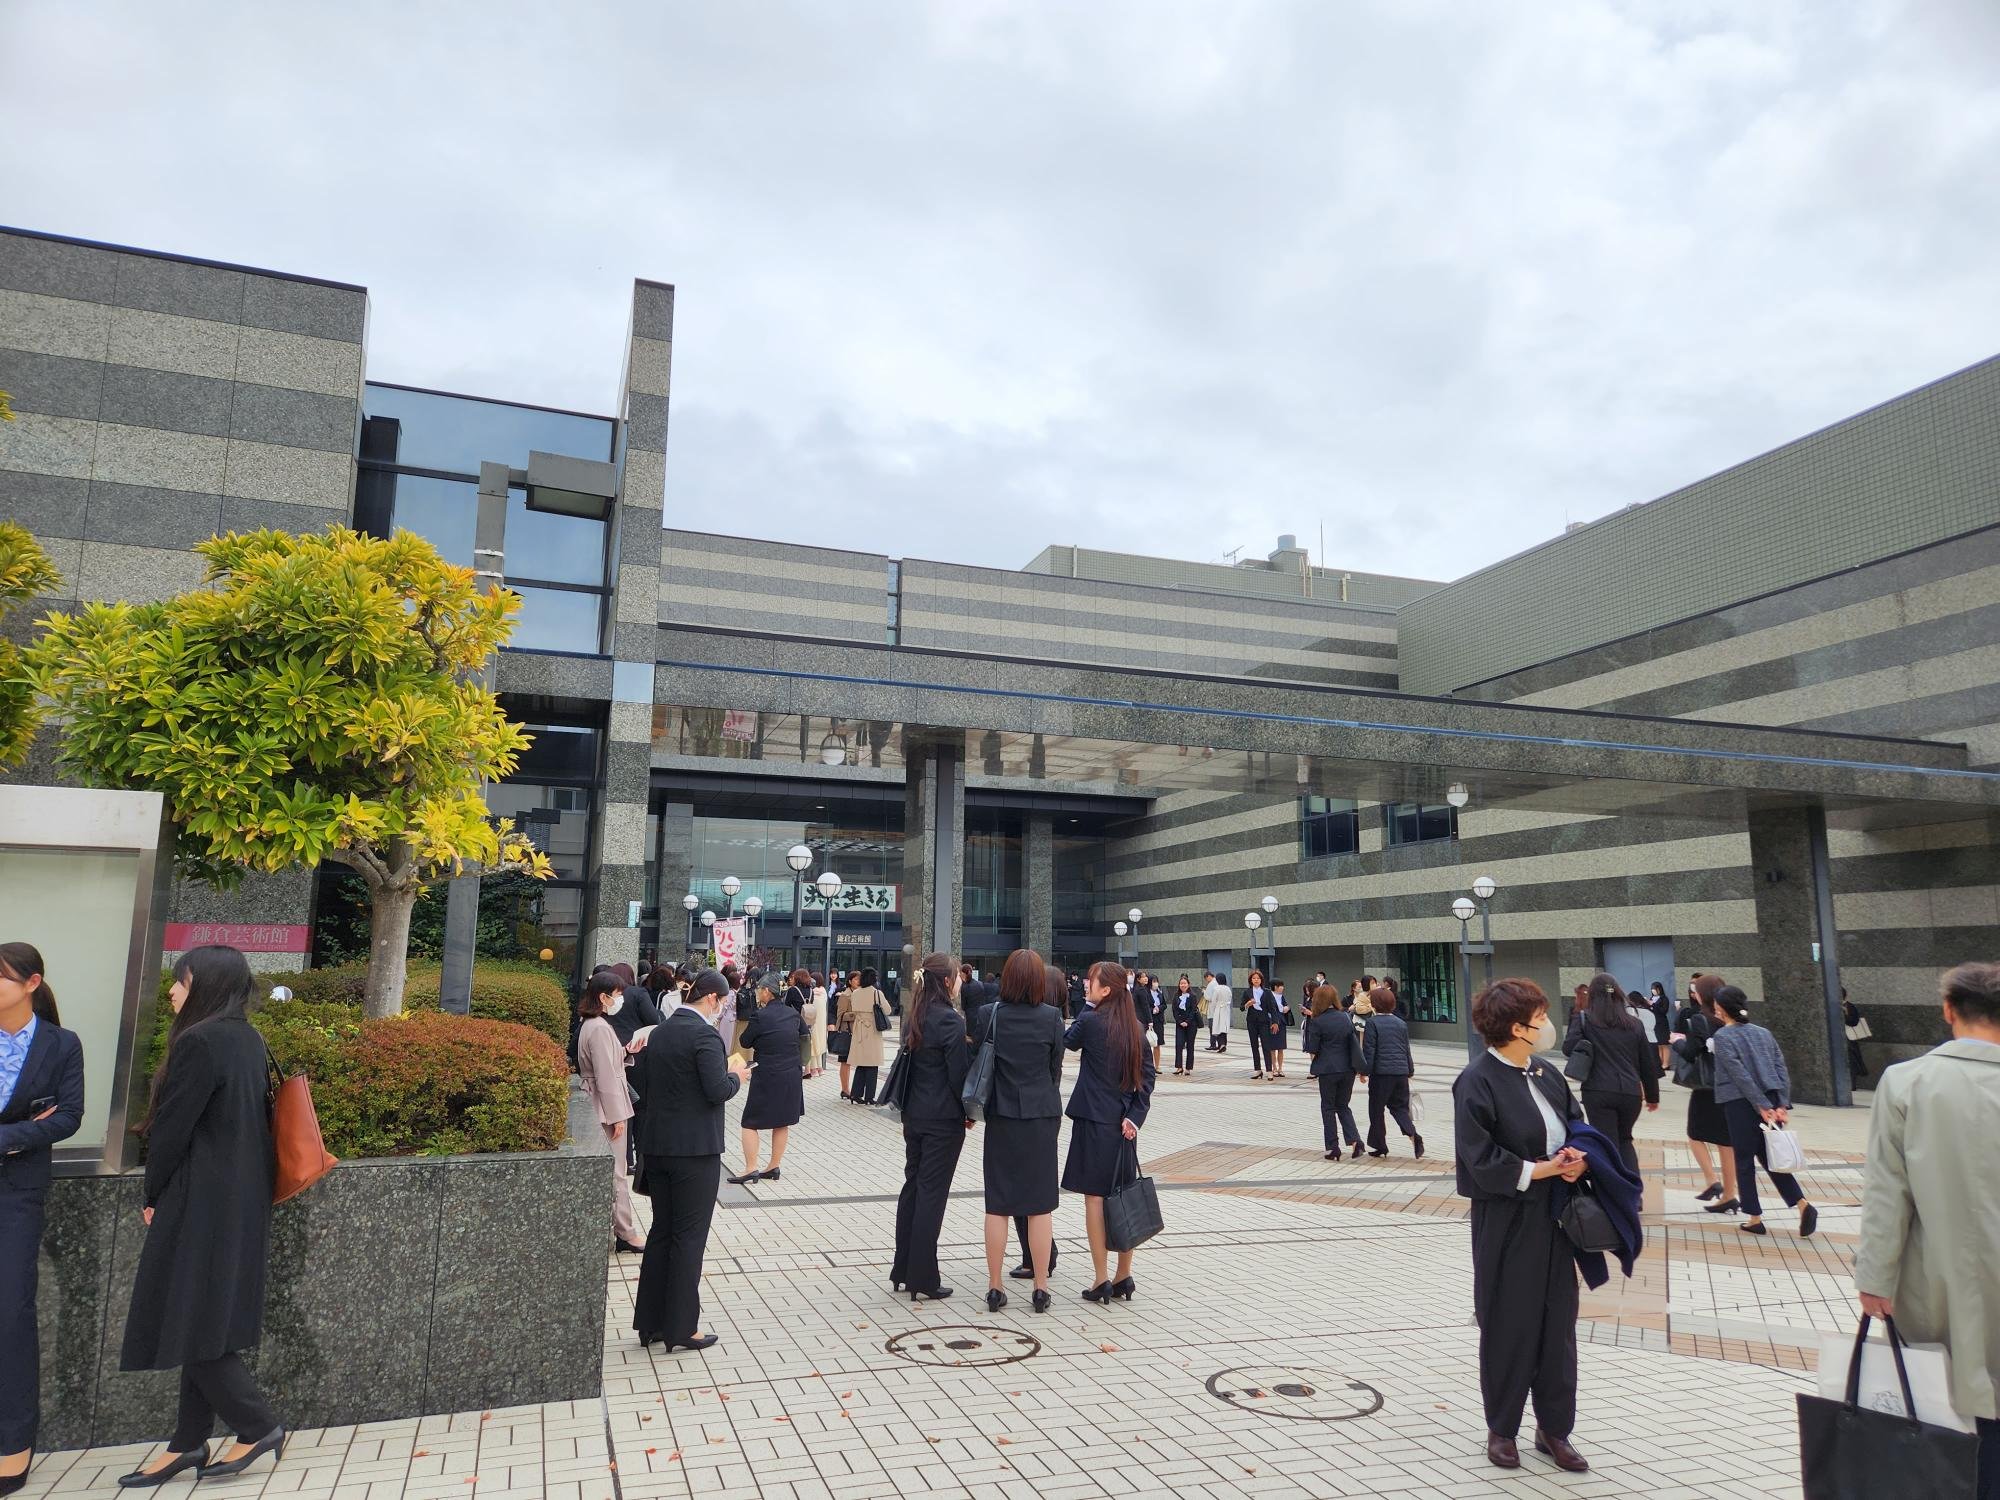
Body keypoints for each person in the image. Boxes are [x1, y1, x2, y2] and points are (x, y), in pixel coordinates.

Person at [117, 945, 284, 1487]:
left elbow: (172, 1129)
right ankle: (187, 1442)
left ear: (204, 985)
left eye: (181, 981)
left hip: (198, 1197)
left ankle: (256, 1424)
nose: (172, 991)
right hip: (240, 1197)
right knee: (202, 1316)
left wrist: (153, 1191)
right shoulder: (247, 1038)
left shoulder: (199, 1041)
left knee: (186, 1314)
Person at [1856, 962, 2000, 1497]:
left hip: (1937, 1279)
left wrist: (1875, 1278)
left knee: (1948, 1409)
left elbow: (1886, 1195)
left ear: (1947, 1011)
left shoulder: (1907, 1083)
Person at [1453, 977, 1591, 1473]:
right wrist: (1540, 1169)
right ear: (1517, 1027)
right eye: (1540, 1018)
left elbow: (1578, 1124)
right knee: (1510, 1321)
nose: (1548, 1026)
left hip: (1558, 1216)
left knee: (1558, 1325)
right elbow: (1478, 1157)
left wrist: (1579, 1157)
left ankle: (1554, 1428)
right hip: (1508, 1218)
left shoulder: (1545, 1071)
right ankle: (1502, 1427)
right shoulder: (1477, 1080)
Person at [0, 942, 83, 1495]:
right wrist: (32, 1124)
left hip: (17, 1196)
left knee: (10, 1313)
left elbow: (68, 1116)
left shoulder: (60, 1044)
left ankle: (12, 1443)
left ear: (30, 984)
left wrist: (10, 1137)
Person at [632, 970, 750, 1352]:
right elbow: (716, 1090)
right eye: (724, 1002)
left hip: (658, 1147)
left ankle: (650, 1322)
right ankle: (683, 1327)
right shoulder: (705, 1036)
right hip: (695, 1151)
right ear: (713, 999)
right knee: (688, 1239)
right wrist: (736, 1075)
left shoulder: (660, 1031)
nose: (723, 1009)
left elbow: (647, 1087)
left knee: (661, 1232)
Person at [970, 949, 1065, 1312]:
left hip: (1002, 1117)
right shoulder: (1052, 1017)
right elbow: (1054, 1070)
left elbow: (980, 1061)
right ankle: (1040, 1288)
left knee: (998, 1204)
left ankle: (995, 1287)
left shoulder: (988, 1015)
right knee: (1040, 1206)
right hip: (1041, 1117)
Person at [1064, 961, 1156, 1304]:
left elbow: (1066, 1041)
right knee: (1124, 1195)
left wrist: (1086, 1008)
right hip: (1123, 1127)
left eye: (1093, 982)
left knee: (1095, 1198)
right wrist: (1134, 1118)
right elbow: (1147, 1079)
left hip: (1092, 1121)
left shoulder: (1089, 1021)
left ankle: (1101, 1277)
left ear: (1106, 991)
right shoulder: (1136, 1027)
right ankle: (1123, 1275)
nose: (1087, 984)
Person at [890, 954, 971, 1301]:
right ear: (948, 981)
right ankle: (923, 1275)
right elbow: (958, 1076)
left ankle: (903, 1267)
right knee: (931, 1194)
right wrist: (969, 1111)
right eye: (956, 976)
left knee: (913, 1186)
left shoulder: (915, 1016)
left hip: (915, 1115)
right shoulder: (951, 1021)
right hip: (943, 1120)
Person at [1710, 986, 1816, 1238]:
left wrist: (1762, 1105)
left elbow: (1740, 1075)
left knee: (1744, 1159)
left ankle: (1754, 1217)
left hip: (1741, 1103)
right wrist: (1780, 1103)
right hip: (1770, 1099)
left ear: (1723, 1008)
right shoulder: (1764, 1033)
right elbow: (1781, 1067)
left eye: (1716, 1005)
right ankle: (1802, 1205)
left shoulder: (1723, 1036)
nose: (1714, 1008)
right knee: (1772, 1158)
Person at [1561, 973, 1660, 1174]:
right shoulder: (1634, 1023)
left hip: (1598, 1091)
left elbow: (1568, 1048)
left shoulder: (1584, 1019)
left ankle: (1613, 1193)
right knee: (1625, 1140)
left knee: (1606, 1143)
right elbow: (1647, 1063)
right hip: (1631, 1092)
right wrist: (1652, 1096)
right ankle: (1633, 1194)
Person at [1010, 963, 1071, 1281]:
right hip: (1047, 1108)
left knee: (1019, 1184)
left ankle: (1037, 1257)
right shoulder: (1054, 1020)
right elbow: (1055, 1070)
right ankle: (1042, 1253)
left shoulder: (1021, 1016)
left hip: (1019, 1112)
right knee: (1037, 1185)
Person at [575, 974, 643, 1254]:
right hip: (607, 1106)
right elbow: (604, 1074)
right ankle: (626, 1233)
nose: (619, 1000)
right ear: (603, 997)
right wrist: (617, 1117)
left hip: (600, 1101)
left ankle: (623, 1231)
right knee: (616, 1173)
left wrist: (625, 1051)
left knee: (613, 1171)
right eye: (616, 994)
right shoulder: (600, 1027)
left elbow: (603, 1065)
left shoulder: (590, 1024)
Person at [1673, 974, 1740, 1211]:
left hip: (1706, 1088)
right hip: (1732, 1086)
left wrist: (1677, 1042)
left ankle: (1713, 1181)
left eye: (1696, 990)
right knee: (1726, 1142)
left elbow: (1691, 1052)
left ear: (1703, 994)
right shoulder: (1731, 1018)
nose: (1694, 994)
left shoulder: (1701, 1020)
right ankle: (1729, 1194)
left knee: (1694, 1134)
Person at [730, 975, 804, 1185]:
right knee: (782, 1120)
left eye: (758, 989)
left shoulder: (760, 1016)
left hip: (768, 1074)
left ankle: (751, 1168)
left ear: (766, 992)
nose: (756, 992)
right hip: (791, 1073)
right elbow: (804, 1037)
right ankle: (773, 1166)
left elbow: (745, 1041)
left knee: (749, 1122)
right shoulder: (793, 1014)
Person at [1359, 985, 1422, 1158]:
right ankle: (1413, 1135)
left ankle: (1380, 1145)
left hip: (1381, 1075)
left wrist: (1364, 1071)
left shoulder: (1372, 1023)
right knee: (1399, 1107)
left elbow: (1369, 1050)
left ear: (1374, 1004)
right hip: (1401, 1072)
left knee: (1376, 1110)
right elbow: (1406, 1049)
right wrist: (1409, 1070)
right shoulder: (1400, 1023)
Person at [1303, 984, 1362, 1160]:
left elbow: (1312, 1048)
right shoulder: (1345, 1017)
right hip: (1347, 1069)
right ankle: (1355, 1141)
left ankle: (1332, 1147)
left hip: (1328, 1070)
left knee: (1328, 1107)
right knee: (1343, 1106)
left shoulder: (1317, 1020)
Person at [839, 968, 891, 1103]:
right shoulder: (876, 993)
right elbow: (888, 1010)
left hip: (859, 1029)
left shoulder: (855, 993)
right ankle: (869, 1097)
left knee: (861, 1064)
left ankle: (856, 1094)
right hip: (872, 1029)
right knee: (872, 1064)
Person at [1243, 971, 1272, 1078]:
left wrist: (1274, 1022)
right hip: (1252, 1021)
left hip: (1264, 1021)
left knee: (1266, 1046)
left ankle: (1269, 1070)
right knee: (1254, 1045)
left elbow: (1272, 1008)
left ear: (1261, 980)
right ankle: (1258, 1069)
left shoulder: (1267, 992)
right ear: (1251, 980)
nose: (1256, 980)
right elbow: (1242, 1007)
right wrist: (1247, 1004)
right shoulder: (1247, 992)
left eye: (1258, 978)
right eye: (1254, 978)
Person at [834, 972, 858, 1098]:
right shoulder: (845, 995)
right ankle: (845, 1089)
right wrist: (856, 1014)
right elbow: (841, 1015)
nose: (858, 981)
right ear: (850, 981)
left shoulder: (860, 994)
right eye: (855, 979)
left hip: (858, 1032)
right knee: (845, 1061)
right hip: (847, 1031)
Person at [1171, 975, 1201, 1076]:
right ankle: (1179, 1067)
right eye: (1181, 983)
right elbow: (1174, 1010)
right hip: (1180, 1024)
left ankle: (1188, 1068)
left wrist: (1187, 1022)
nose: (1183, 985)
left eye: (1185, 983)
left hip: (1191, 1024)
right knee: (1179, 1045)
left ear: (1188, 985)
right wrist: (1180, 1021)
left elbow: (1193, 1010)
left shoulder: (1193, 996)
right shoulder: (1176, 995)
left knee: (1190, 1046)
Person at [1841, 987, 1872, 1082]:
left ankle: (1852, 1083)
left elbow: (1854, 1022)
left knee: (1851, 1061)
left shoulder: (1849, 1007)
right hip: (1834, 1040)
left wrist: (1845, 1014)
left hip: (1848, 1040)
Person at [1267, 978, 1292, 1077]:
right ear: (1275, 987)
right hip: (1272, 1023)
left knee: (1281, 1047)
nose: (1283, 987)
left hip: (1281, 1023)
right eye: (1281, 985)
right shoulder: (1269, 996)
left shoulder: (1282, 996)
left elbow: (1285, 1006)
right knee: (1272, 1047)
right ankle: (1274, 1068)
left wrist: (1287, 1008)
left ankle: (1280, 1068)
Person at [1647, 982, 1673, 1072]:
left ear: (1659, 989)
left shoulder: (1664, 999)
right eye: (1652, 988)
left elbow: (1663, 1011)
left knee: (1664, 1044)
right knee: (1658, 1044)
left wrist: (1653, 1005)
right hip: (1654, 1023)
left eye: (1655, 988)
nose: (1653, 990)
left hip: (1662, 1023)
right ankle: (1660, 1062)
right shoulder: (1652, 998)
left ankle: (1666, 1064)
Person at [1204, 971, 1232, 1052]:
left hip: (1218, 1010)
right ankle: (1223, 1044)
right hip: (1226, 1009)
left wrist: (1213, 1009)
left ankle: (1220, 1044)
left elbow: (1213, 1000)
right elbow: (1229, 998)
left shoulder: (1217, 988)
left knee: (1217, 1027)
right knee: (1224, 1027)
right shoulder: (1228, 988)